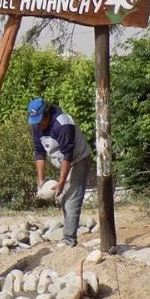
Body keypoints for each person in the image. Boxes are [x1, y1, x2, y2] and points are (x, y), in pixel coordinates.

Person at [28, 97, 92, 247]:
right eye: (35, 121)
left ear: (47, 114)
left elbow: (67, 154)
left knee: (71, 201)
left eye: (40, 120)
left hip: (79, 160)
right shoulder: (36, 126)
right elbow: (39, 153)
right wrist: (41, 181)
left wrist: (62, 182)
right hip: (64, 162)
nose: (38, 125)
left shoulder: (62, 123)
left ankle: (69, 240)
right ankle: (70, 234)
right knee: (64, 200)